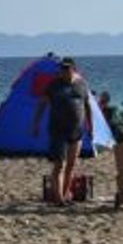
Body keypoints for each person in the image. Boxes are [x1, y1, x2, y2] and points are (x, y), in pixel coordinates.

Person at [31, 56, 91, 206]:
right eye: (62, 69)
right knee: (59, 165)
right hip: (58, 130)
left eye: (66, 68)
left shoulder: (82, 84)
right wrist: (36, 124)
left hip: (77, 131)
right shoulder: (54, 85)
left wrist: (90, 127)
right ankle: (58, 199)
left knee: (71, 164)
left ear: (73, 69)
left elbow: (87, 106)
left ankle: (65, 195)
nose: (63, 71)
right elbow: (42, 104)